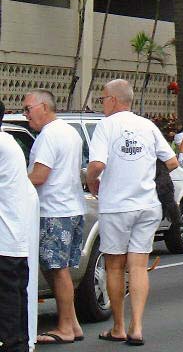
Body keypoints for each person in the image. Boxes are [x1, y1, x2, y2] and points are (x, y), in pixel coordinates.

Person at [87, 79, 178, 346]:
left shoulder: (105, 126)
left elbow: (97, 164)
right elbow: (171, 161)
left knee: (114, 265)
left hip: (117, 206)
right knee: (138, 266)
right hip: (147, 205)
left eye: (103, 99)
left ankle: (118, 327)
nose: (103, 104)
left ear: (114, 100)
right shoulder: (148, 125)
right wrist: (146, 175)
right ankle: (137, 326)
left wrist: (92, 180)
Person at [23, 90, 85, 345]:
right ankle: (73, 324)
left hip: (54, 210)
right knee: (57, 270)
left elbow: (39, 176)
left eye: (28, 109)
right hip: (71, 208)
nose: (26, 115)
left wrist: (12, 186)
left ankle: (65, 328)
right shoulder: (69, 131)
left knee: (57, 270)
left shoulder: (49, 135)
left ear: (44, 107)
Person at [0, 100, 40, 352]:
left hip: (6, 239)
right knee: (15, 306)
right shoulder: (8, 142)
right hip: (13, 238)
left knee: (8, 314)